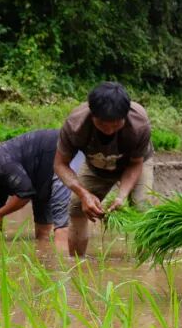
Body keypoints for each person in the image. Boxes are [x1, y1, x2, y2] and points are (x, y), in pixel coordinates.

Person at [54, 81, 154, 257]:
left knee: (142, 208)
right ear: (92, 114)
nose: (108, 130)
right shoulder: (75, 125)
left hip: (134, 164)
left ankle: (144, 263)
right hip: (96, 165)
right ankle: (77, 262)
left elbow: (135, 163)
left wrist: (121, 196)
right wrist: (83, 194)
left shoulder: (139, 124)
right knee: (77, 207)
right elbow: (60, 164)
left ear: (125, 116)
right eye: (102, 124)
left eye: (115, 124)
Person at [0, 130, 71, 246]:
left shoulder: (2, 162)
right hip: (42, 175)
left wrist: (0, 214)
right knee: (42, 234)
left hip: (61, 153)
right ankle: (45, 249)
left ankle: (65, 255)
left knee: (61, 220)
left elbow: (25, 194)